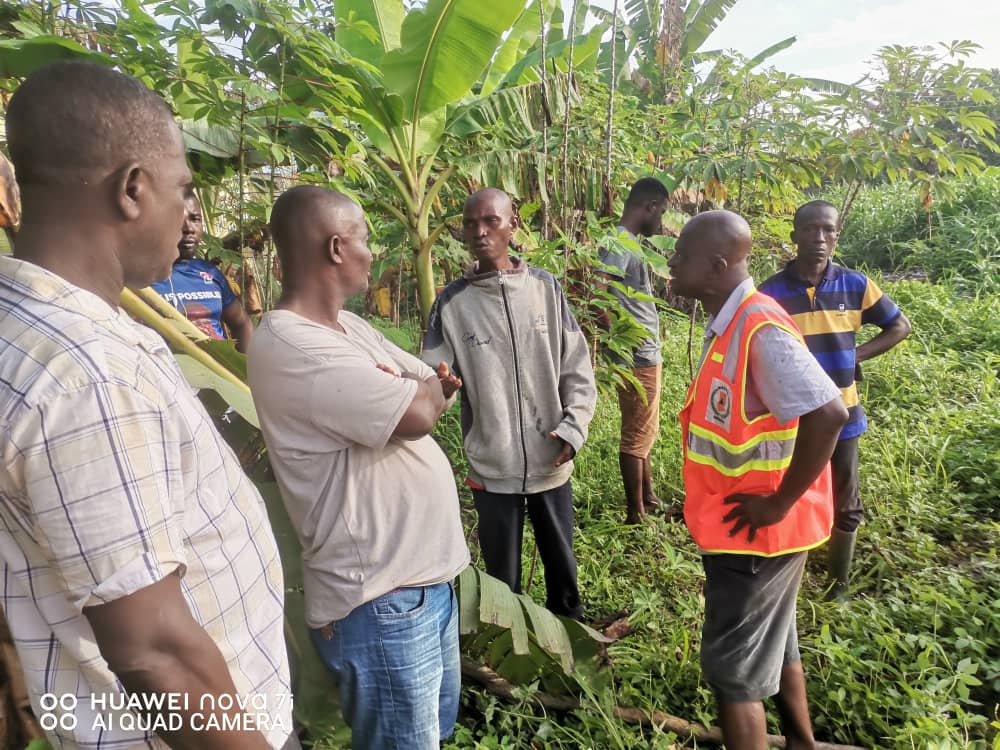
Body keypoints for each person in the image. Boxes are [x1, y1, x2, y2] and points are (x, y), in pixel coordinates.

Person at [0, 62, 294, 750]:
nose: (188, 212)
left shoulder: (29, 321)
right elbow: (155, 655)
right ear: (133, 189)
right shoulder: (89, 379)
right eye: (184, 188)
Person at [246, 186, 469, 750]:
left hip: (420, 587)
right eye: (366, 239)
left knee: (430, 736)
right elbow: (422, 406)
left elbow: (434, 378)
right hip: (379, 601)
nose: (373, 253)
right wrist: (414, 394)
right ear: (338, 248)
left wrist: (417, 392)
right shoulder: (292, 345)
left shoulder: (350, 329)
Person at [668, 210, 848, 749]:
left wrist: (775, 504)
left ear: (717, 265)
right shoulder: (733, 320)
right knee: (778, 641)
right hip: (749, 531)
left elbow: (830, 413)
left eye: (682, 256)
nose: (671, 264)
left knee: (734, 676)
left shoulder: (758, 326)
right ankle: (801, 742)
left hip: (755, 536)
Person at [423, 188, 596, 619]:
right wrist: (439, 387)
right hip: (491, 465)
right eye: (470, 223)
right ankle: (512, 655)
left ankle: (571, 644)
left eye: (491, 221)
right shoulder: (452, 303)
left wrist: (574, 429)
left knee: (563, 569)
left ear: (512, 225)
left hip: (550, 458)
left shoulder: (544, 289)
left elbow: (577, 367)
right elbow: (429, 374)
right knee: (502, 579)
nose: (479, 232)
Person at [759, 200, 911, 600]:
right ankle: (785, 578)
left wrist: (855, 355)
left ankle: (838, 585)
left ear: (836, 236)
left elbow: (899, 325)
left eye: (827, 230)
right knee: (790, 491)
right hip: (793, 416)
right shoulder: (770, 292)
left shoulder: (856, 285)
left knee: (846, 497)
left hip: (843, 413)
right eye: (810, 229)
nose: (819, 238)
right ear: (795, 235)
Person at [597, 177, 670, 524]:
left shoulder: (628, 243)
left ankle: (648, 496)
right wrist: (620, 342)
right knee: (636, 432)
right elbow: (597, 293)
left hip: (642, 351)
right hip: (636, 354)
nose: (662, 222)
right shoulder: (619, 243)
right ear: (649, 207)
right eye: (662, 213)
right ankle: (635, 514)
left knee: (646, 428)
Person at [151, 194, 254, 351]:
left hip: (218, 372)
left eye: (195, 219)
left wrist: (243, 368)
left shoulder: (210, 273)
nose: (189, 228)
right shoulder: (142, 279)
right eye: (177, 218)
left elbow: (241, 323)